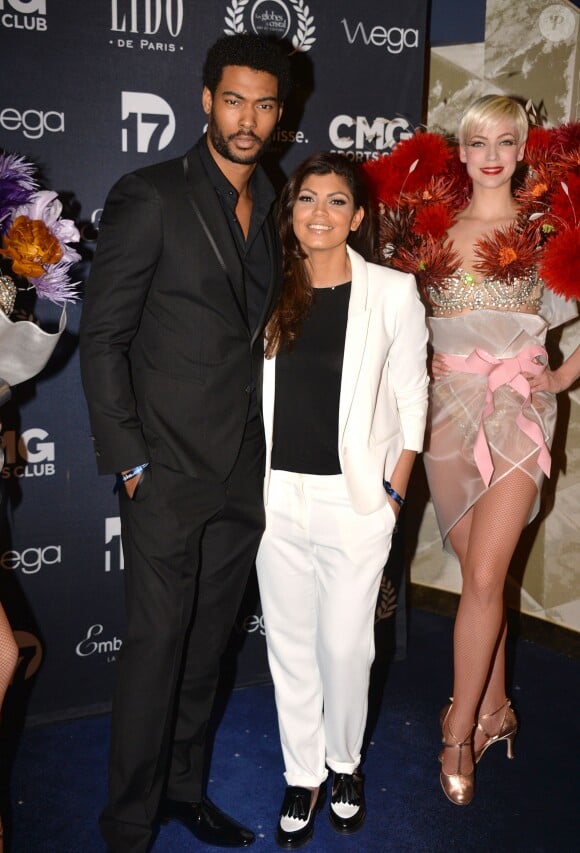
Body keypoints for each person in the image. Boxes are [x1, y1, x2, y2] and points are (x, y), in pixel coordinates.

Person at [79, 33, 291, 852]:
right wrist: (129, 458)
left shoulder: (277, 203)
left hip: (244, 466)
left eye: (265, 104)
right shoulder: (150, 193)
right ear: (206, 99)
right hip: (163, 466)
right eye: (233, 99)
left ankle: (185, 789)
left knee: (208, 643)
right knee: (157, 646)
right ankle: (128, 821)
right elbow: (103, 339)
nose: (248, 119)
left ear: (281, 112)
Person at [255, 152, 429, 847]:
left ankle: (344, 761)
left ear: (357, 218)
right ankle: (303, 773)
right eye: (306, 200)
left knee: (346, 645)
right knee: (290, 645)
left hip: (356, 498)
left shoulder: (391, 291)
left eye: (335, 202)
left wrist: (398, 486)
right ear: (290, 212)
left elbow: (414, 390)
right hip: (275, 496)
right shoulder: (266, 285)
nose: (318, 214)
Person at [421, 97, 579, 806]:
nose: (491, 153)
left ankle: (458, 728)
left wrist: (564, 374)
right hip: (443, 418)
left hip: (518, 410)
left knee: (485, 575)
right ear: (460, 149)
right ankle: (497, 709)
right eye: (477, 140)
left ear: (522, 149)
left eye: (505, 140)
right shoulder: (429, 231)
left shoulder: (547, 229)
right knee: (474, 575)